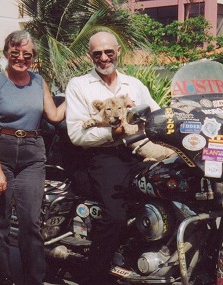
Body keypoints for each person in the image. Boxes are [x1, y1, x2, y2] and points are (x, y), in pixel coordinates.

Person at [65, 31, 160, 284]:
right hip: (102, 156)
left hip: (138, 150)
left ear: (118, 51)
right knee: (116, 214)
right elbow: (76, 133)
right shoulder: (80, 85)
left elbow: (157, 113)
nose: (104, 58)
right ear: (90, 56)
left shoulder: (133, 85)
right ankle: (94, 276)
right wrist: (113, 132)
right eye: (97, 53)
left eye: (109, 52)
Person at [0, 30, 66, 285]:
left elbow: (55, 115)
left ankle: (33, 280)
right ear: (6, 53)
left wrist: (76, 95)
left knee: (31, 223)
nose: (20, 58)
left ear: (33, 57)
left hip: (32, 153)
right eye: (15, 53)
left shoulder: (39, 82)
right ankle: (3, 280)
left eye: (27, 54)